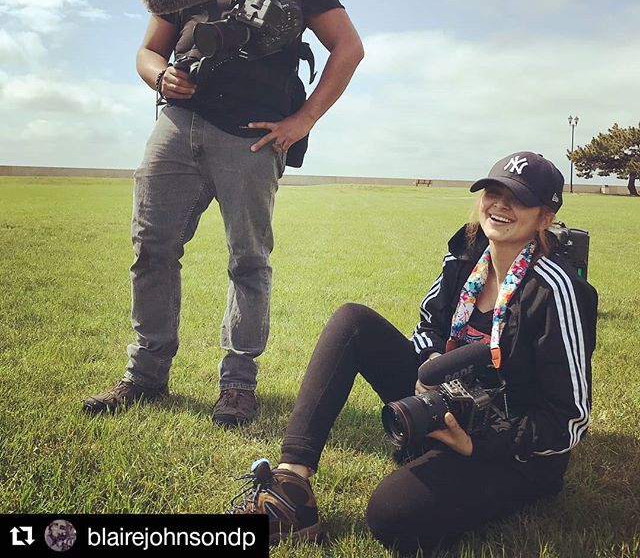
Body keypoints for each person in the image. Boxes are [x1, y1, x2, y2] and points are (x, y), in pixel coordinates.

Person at [83, 0, 364, 426]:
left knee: (248, 262)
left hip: (252, 140)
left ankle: (237, 385)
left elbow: (348, 47)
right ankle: (145, 375)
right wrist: (161, 77)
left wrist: (301, 120)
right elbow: (146, 52)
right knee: (152, 249)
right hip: (177, 127)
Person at [227, 151, 598, 554]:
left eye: (520, 199)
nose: (501, 205)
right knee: (352, 322)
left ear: (545, 217)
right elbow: (427, 330)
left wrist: (477, 444)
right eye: (494, 191)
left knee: (391, 513)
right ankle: (291, 484)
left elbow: (570, 419)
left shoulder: (555, 291)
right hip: (445, 405)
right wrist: (427, 374)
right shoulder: (466, 257)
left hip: (511, 450)